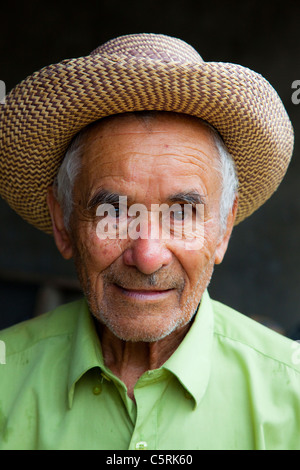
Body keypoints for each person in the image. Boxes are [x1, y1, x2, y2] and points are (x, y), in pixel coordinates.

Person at [0, 33, 299, 450]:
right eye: (114, 212)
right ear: (63, 222)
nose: (147, 255)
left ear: (224, 229)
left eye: (181, 214)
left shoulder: (293, 393)